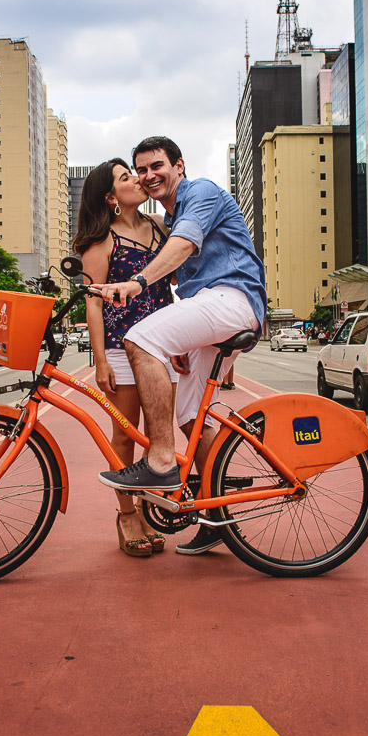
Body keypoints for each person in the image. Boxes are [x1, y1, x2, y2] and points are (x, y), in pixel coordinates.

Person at [93, 136, 266, 556]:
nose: (150, 176)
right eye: (142, 170)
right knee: (190, 415)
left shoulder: (200, 193)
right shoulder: (169, 215)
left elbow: (183, 245)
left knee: (140, 336)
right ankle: (214, 513)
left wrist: (136, 283)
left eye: (158, 166)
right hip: (211, 308)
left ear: (179, 165)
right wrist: (182, 338)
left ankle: (161, 463)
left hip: (233, 298)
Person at [73, 157, 177, 557]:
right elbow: (94, 304)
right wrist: (99, 360)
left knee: (159, 435)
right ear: (111, 197)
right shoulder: (103, 240)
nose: (136, 180)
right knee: (125, 434)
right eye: (125, 177)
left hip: (162, 344)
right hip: (121, 347)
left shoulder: (158, 228)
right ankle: (128, 515)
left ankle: (151, 510)